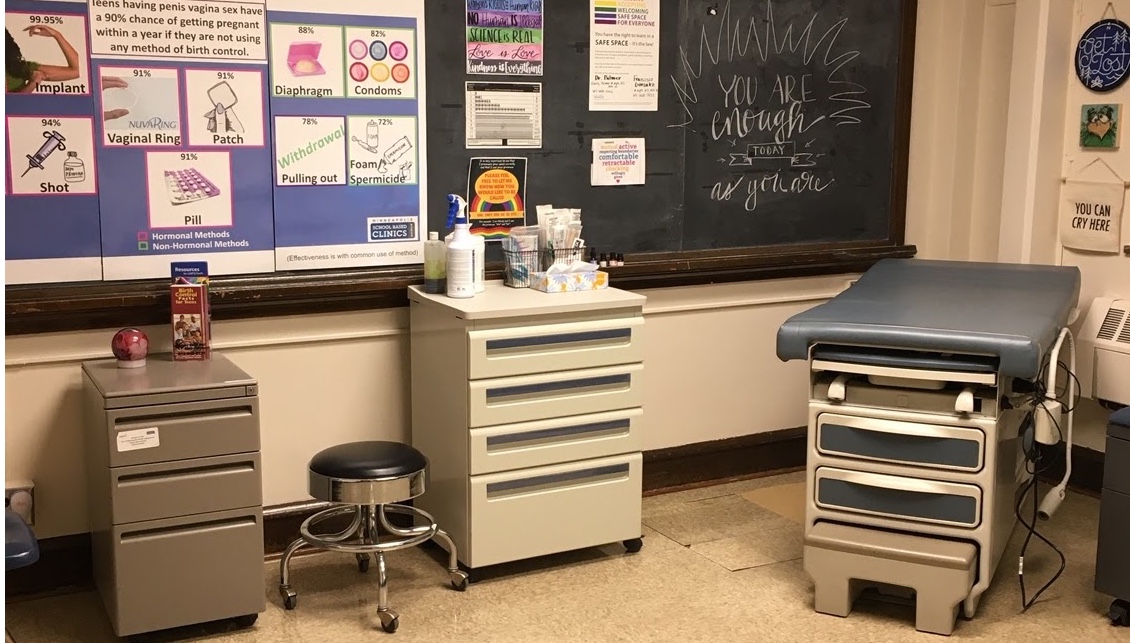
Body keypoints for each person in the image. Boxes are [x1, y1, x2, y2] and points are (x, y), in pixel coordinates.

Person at [6, 25, 80, 93]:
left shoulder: (18, 67)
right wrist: (33, 84)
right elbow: (9, 103)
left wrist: (57, 35)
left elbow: (76, 71)